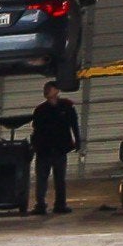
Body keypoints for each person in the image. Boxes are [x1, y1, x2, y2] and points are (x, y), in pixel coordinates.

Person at [30, 86, 81, 214]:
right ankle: (40, 205)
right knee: (42, 179)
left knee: (60, 179)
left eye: (50, 89)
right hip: (44, 150)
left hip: (60, 148)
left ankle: (60, 205)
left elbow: (74, 124)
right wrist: (35, 146)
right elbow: (36, 130)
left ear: (57, 91)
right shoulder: (40, 110)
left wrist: (77, 140)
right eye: (46, 90)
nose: (47, 92)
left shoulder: (67, 106)